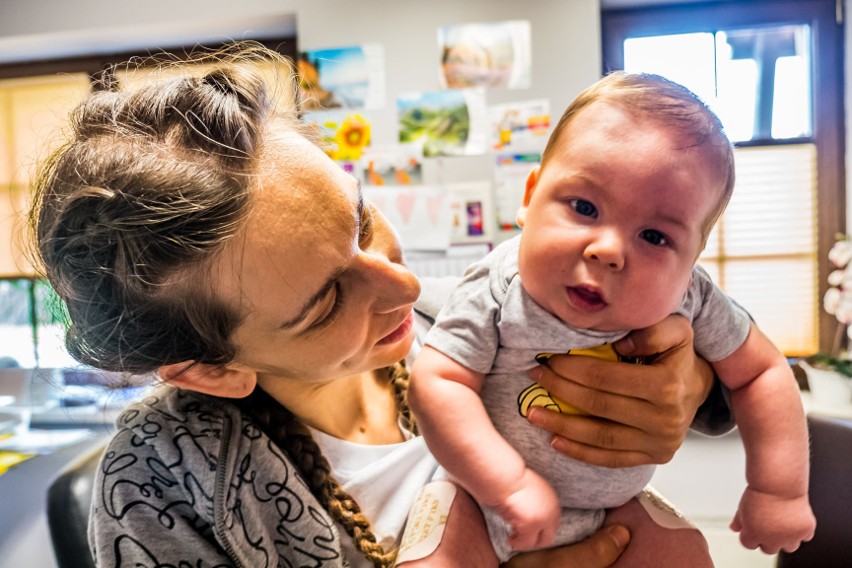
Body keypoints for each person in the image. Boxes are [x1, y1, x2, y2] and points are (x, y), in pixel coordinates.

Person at [29, 44, 731, 568]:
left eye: (361, 221)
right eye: (327, 299)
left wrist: (691, 382)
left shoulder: (433, 337)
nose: (406, 289)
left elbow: (690, 335)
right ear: (210, 370)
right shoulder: (157, 486)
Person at [410, 71, 817, 565]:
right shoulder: (497, 286)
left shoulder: (692, 297)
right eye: (584, 207)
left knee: (687, 554)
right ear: (530, 197)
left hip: (613, 507)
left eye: (654, 237)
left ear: (691, 261)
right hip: (478, 495)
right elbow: (438, 381)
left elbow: (763, 372)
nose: (608, 250)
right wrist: (508, 483)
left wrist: (778, 491)